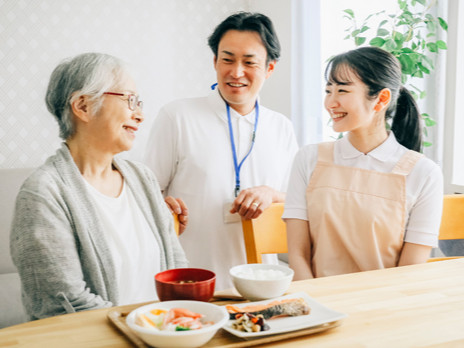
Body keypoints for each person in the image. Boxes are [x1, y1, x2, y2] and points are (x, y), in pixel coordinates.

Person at [10, 53, 187, 320]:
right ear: (83, 106)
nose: (140, 115)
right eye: (129, 100)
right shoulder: (43, 193)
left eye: (138, 102)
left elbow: (177, 271)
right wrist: (148, 329)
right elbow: (65, 305)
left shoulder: (143, 178)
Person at [144, 12, 298, 289]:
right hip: (190, 279)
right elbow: (144, 194)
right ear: (214, 61)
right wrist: (163, 206)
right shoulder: (177, 116)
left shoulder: (281, 127)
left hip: (262, 283)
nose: (236, 72)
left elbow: (296, 201)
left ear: (270, 68)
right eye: (227, 59)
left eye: (249, 62)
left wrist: (271, 193)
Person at [283, 46, 443, 280]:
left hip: (386, 305)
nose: (330, 102)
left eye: (343, 91)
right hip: (317, 303)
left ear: (381, 99)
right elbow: (297, 255)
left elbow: (410, 272)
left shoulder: (424, 173)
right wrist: (314, 307)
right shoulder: (308, 159)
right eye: (329, 90)